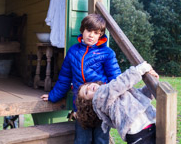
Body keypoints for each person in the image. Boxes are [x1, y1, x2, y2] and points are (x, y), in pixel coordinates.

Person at [41, 14, 121, 144]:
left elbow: (115, 78)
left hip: (101, 105)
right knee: (81, 140)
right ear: (82, 30)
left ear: (100, 35)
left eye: (96, 33)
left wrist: (116, 99)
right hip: (81, 107)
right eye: (89, 31)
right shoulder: (73, 51)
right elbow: (65, 78)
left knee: (101, 139)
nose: (91, 35)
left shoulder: (107, 53)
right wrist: (53, 96)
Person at [76, 62, 159, 144]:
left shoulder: (111, 92)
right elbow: (120, 82)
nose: (89, 88)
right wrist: (138, 70)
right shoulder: (99, 99)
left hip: (150, 125)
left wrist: (150, 87)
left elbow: (139, 95)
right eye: (86, 93)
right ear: (89, 102)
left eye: (88, 85)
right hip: (138, 132)